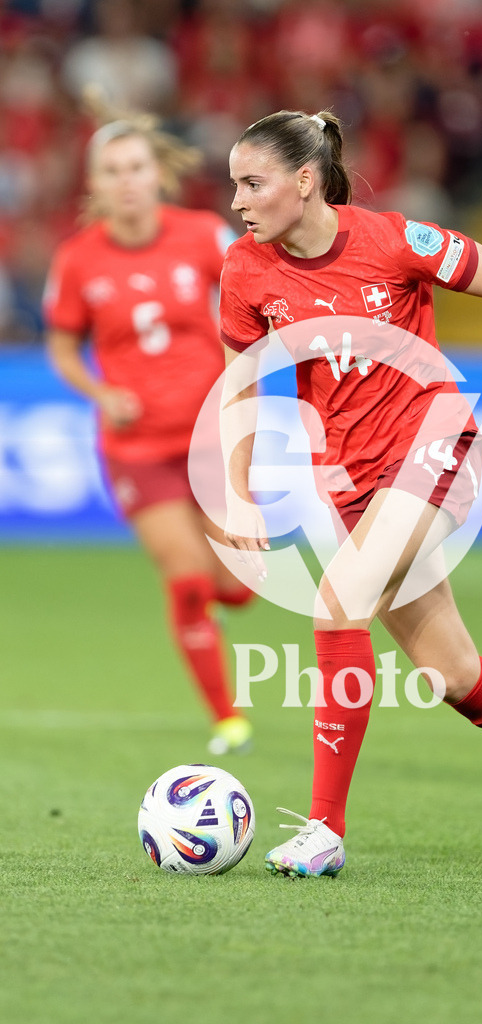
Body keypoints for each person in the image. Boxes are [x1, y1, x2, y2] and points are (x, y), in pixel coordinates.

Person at [219, 109, 482, 877]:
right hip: (352, 480)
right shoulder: (244, 270)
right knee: (456, 678)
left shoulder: (394, 241)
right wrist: (237, 494)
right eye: (234, 183)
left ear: (303, 181)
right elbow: (237, 382)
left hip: (433, 446)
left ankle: (323, 830)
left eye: (251, 182)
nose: (237, 199)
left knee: (338, 599)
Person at [44, 101, 254, 756]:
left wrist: (237, 376)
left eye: (137, 166)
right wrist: (99, 391)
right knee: (188, 580)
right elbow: (60, 347)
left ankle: (226, 592)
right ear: (96, 185)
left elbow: (246, 304)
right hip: (138, 451)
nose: (128, 180)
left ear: (157, 174)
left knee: (238, 585)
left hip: (211, 437)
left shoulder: (201, 234)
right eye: (113, 170)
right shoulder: (78, 261)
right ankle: (227, 718)